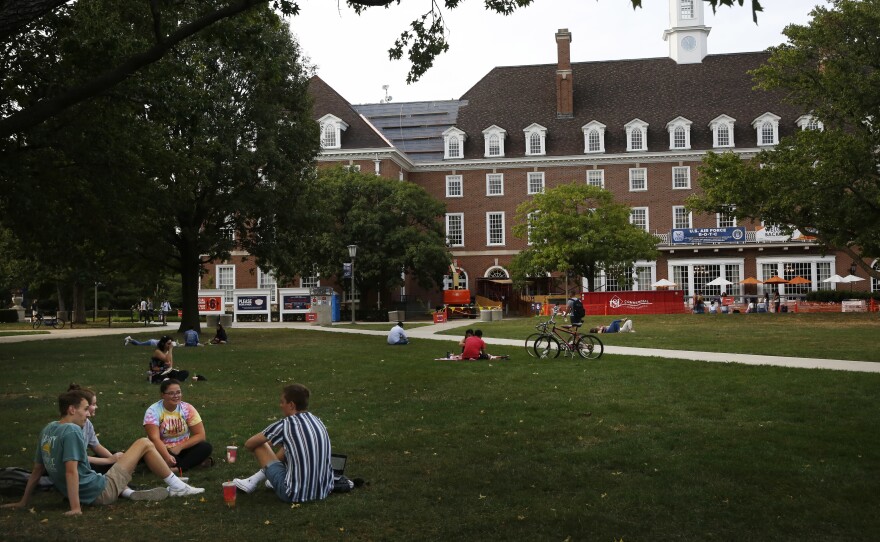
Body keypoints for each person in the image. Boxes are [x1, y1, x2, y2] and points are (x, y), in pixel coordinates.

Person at [0, 390, 204, 515]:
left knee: (125, 456)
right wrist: (76, 508)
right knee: (144, 442)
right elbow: (71, 471)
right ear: (72, 409)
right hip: (100, 492)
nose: (89, 413)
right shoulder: (71, 431)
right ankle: (178, 486)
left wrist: (23, 501)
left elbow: (37, 469)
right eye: (86, 409)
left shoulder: (48, 429)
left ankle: (134, 489)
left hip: (91, 488)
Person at [232, 384, 334, 503]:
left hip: (293, 495)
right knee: (289, 445)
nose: (280, 405)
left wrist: (270, 444)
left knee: (259, 445)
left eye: (282, 402)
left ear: (291, 405)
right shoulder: (317, 420)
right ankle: (263, 479)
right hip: (323, 490)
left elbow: (250, 444)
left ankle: (255, 481)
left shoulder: (285, 425)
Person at [144, 379, 213, 473]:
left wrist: (179, 447)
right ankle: (190, 463)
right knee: (149, 455)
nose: (176, 396)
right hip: (161, 449)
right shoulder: (153, 411)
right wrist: (167, 456)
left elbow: (200, 435)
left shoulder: (187, 408)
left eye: (178, 392)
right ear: (163, 395)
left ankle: (176, 468)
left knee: (206, 447)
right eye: (171, 393)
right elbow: (154, 439)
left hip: (182, 449)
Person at [66, 384, 123, 474]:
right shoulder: (70, 430)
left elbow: (96, 446)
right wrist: (109, 460)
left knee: (116, 455)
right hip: (76, 468)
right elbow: (77, 458)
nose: (96, 407)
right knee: (103, 465)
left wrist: (115, 461)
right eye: (93, 404)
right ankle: (123, 487)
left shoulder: (87, 424)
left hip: (82, 462)